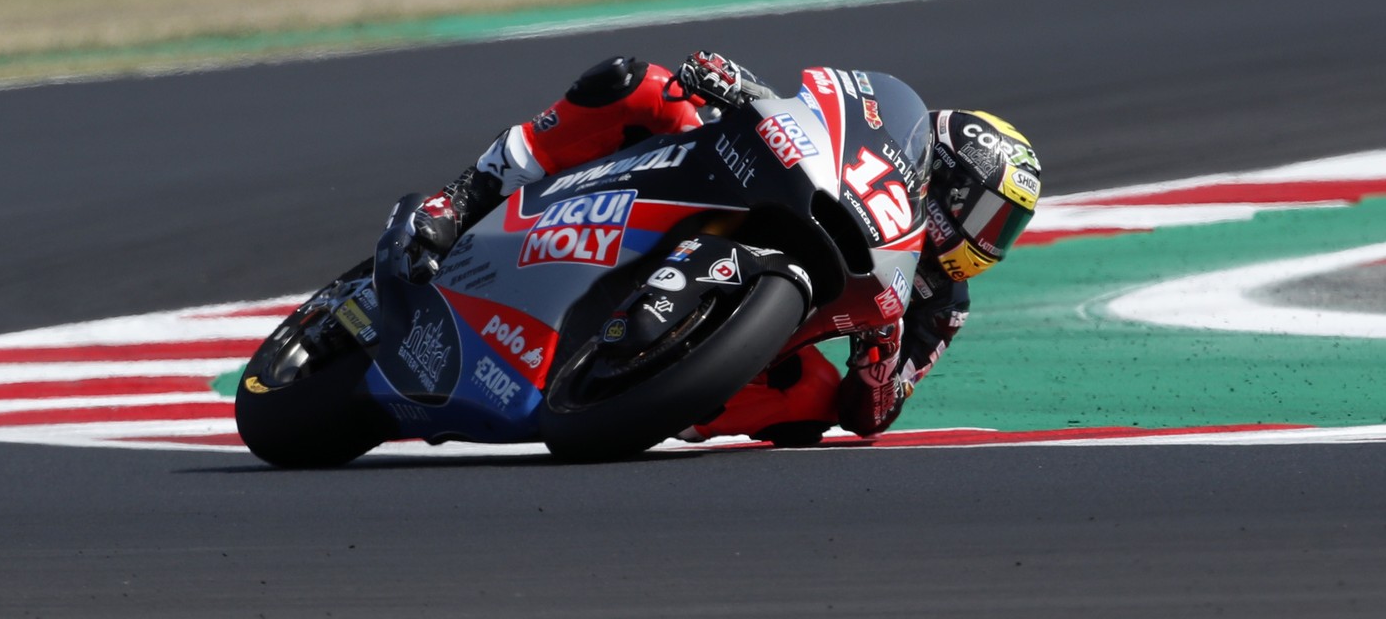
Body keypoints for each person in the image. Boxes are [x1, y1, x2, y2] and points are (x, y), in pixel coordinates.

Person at [386, 52, 1041, 445]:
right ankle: (467, 195)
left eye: (1003, 229)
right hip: (721, 185)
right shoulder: (878, 141)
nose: (988, 241)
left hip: (756, 333)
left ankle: (678, 395)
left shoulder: (942, 301)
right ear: (944, 183)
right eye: (985, 215)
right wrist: (740, 87)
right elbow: (813, 120)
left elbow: (873, 415)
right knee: (639, 85)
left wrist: (879, 357)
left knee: (809, 403)